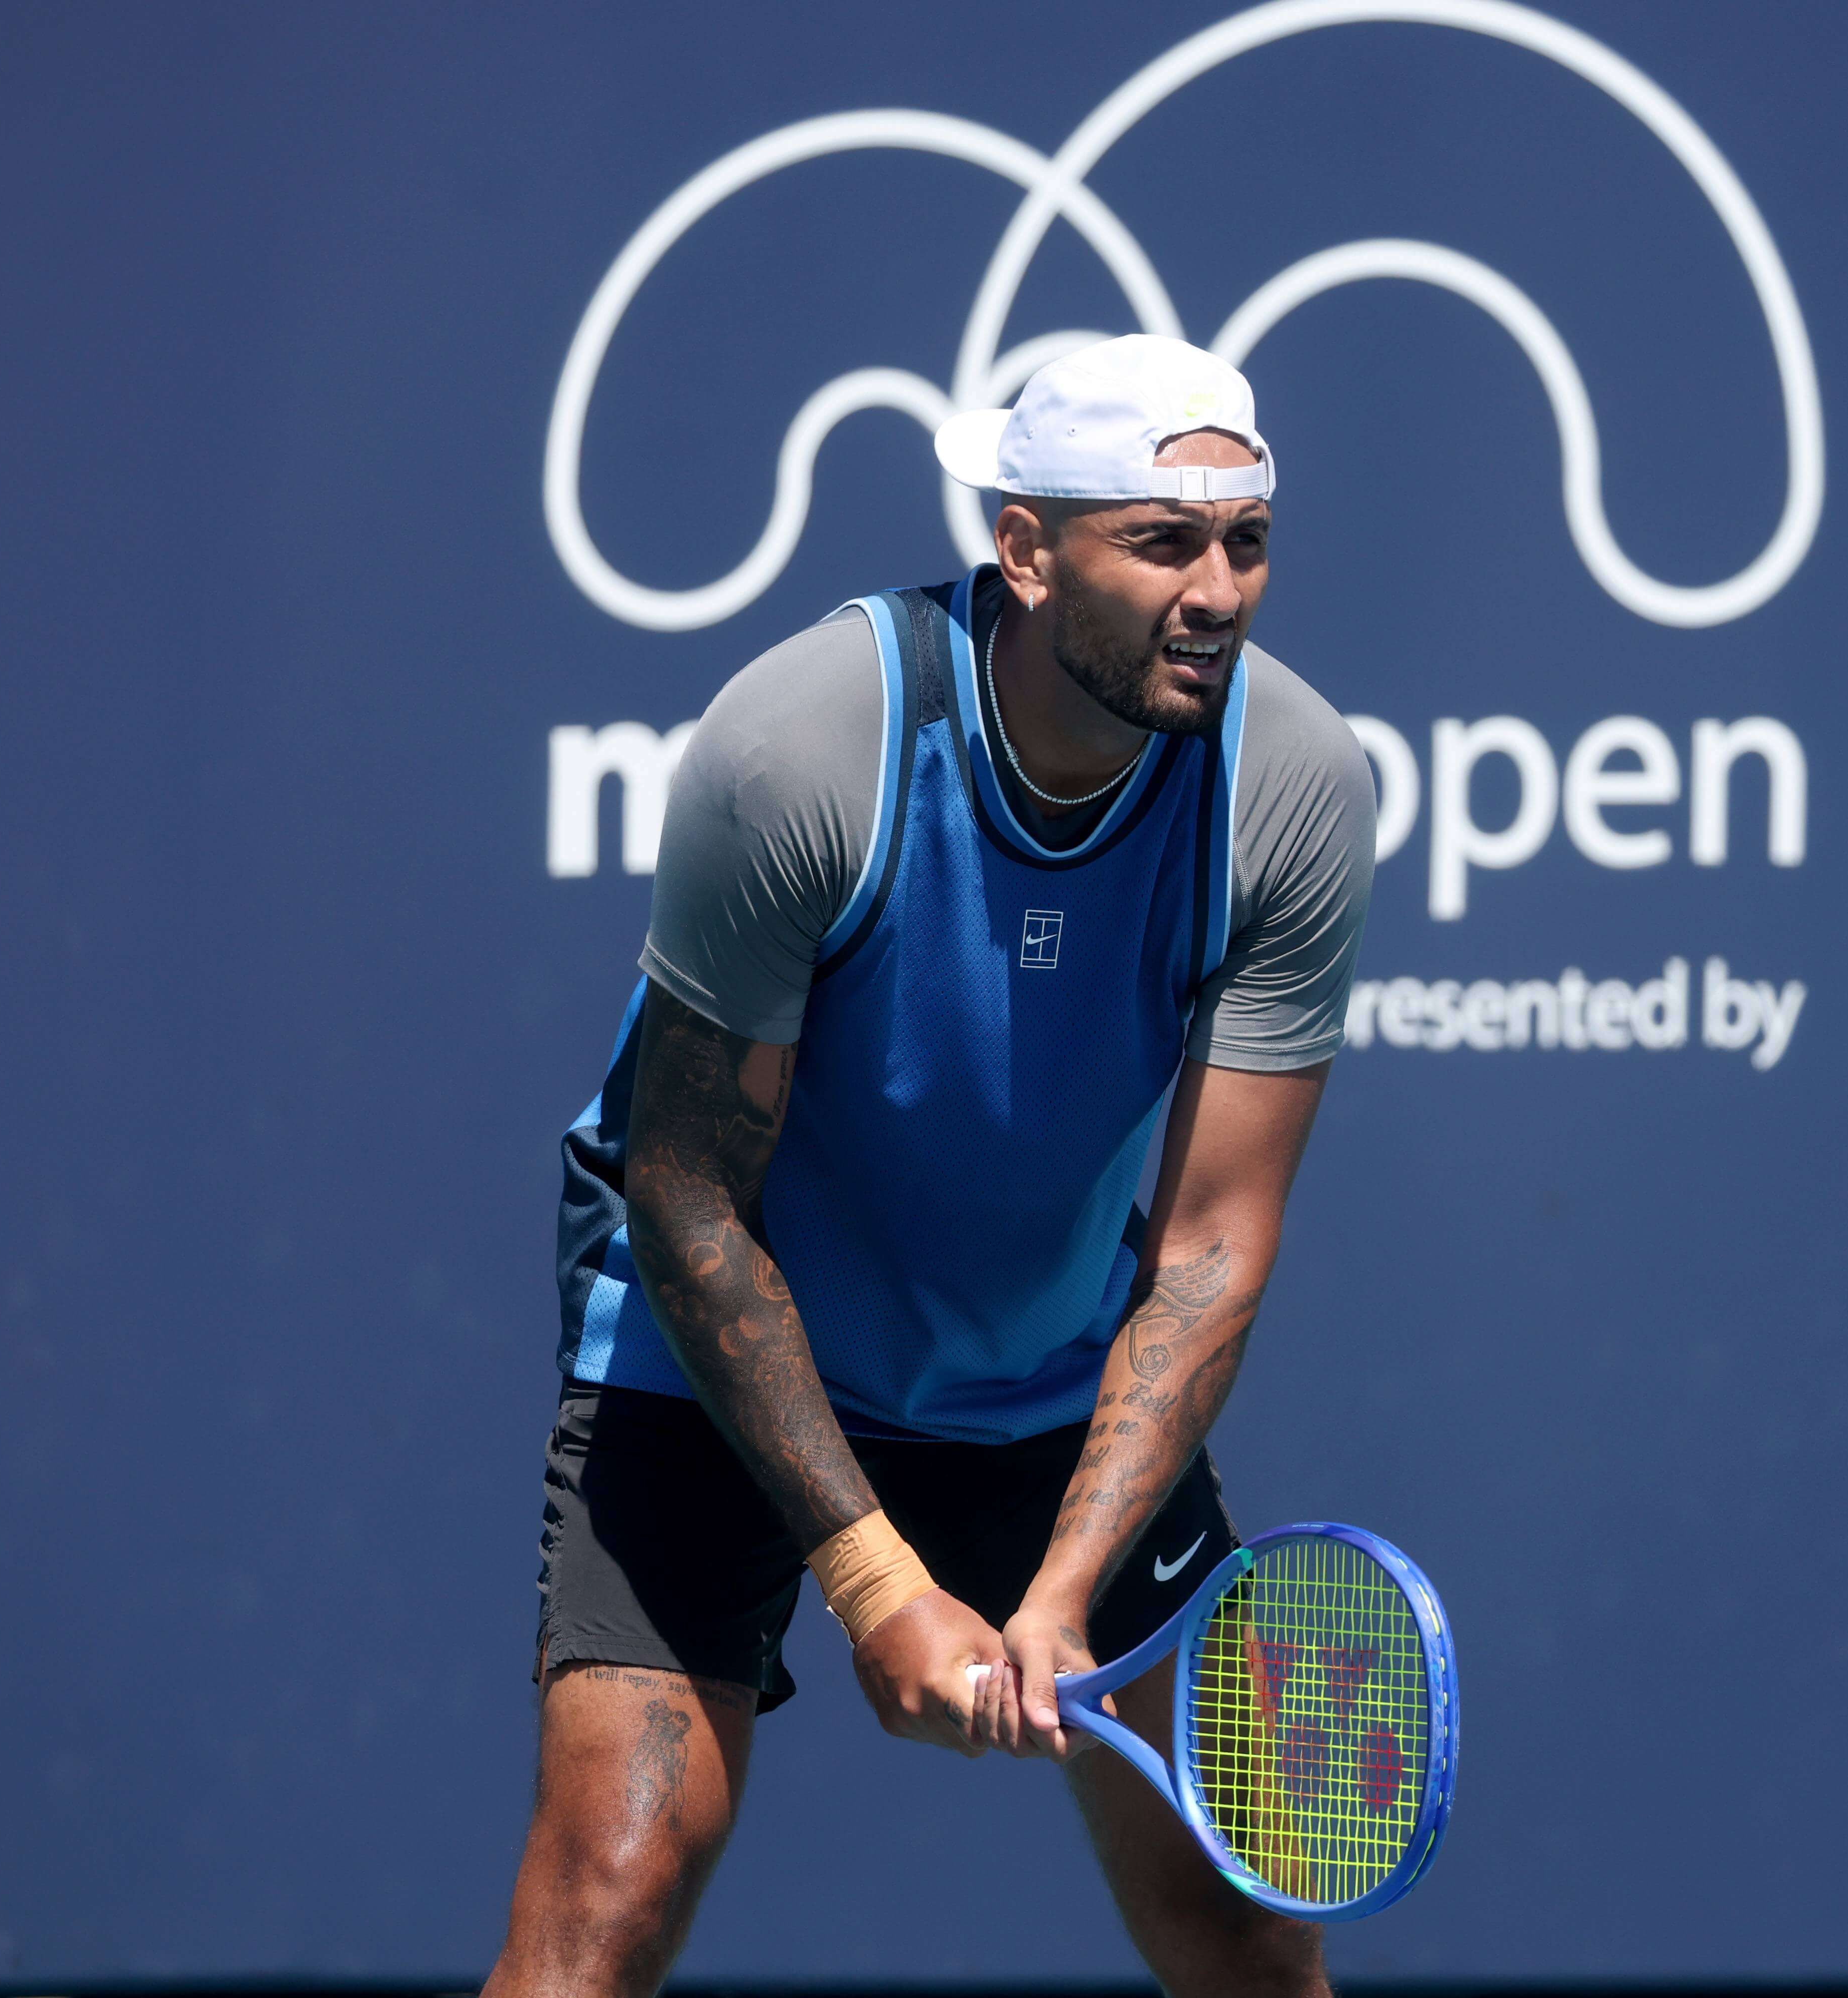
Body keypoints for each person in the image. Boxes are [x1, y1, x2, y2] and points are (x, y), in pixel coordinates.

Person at [484, 336, 1376, 1998]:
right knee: (609, 1895)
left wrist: (1062, 1591)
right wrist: (878, 1577)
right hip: (710, 1354)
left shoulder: (1293, 786)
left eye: (1247, 543)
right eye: (1162, 543)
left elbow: (1208, 1248)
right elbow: (682, 1195)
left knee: (1247, 1936)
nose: (1221, 592)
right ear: (1025, 550)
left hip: (1043, 1380)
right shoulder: (806, 744)